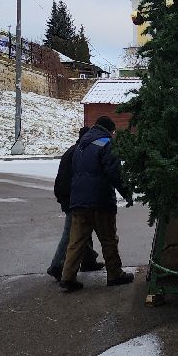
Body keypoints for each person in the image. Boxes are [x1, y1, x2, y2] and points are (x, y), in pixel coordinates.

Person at [59, 116, 134, 292]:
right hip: (100, 201)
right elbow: (114, 171)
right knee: (108, 239)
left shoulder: (80, 145)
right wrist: (127, 192)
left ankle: (67, 277)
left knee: (76, 241)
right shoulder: (106, 143)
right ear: (109, 130)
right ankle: (115, 275)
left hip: (78, 201)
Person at [46, 127, 102, 281]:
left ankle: (89, 261)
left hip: (70, 196)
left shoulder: (74, 150)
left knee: (84, 229)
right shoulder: (79, 152)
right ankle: (56, 266)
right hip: (72, 198)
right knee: (71, 233)